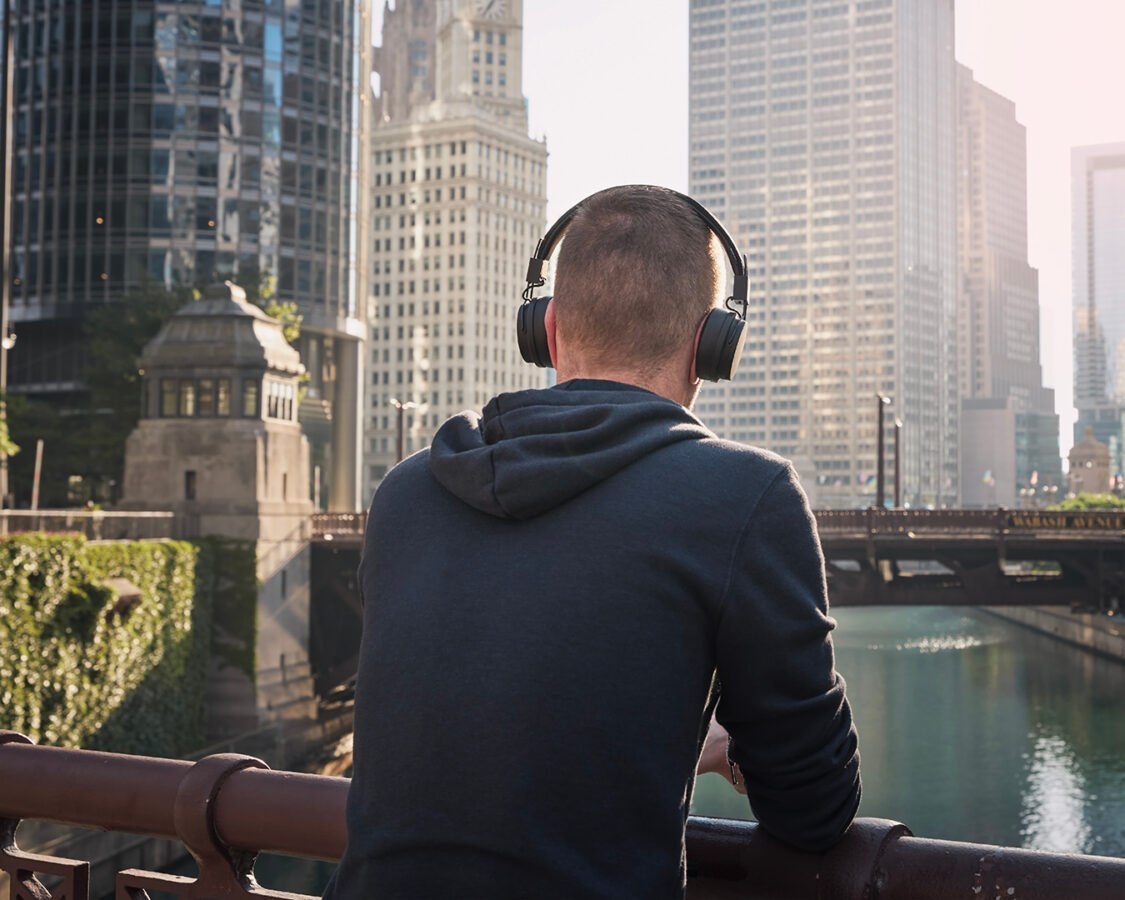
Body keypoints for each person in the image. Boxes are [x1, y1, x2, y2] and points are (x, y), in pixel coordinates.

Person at [324, 185, 861, 899]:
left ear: (544, 330)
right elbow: (814, 809)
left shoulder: (407, 494)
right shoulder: (746, 499)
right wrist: (716, 746)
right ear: (710, 346)